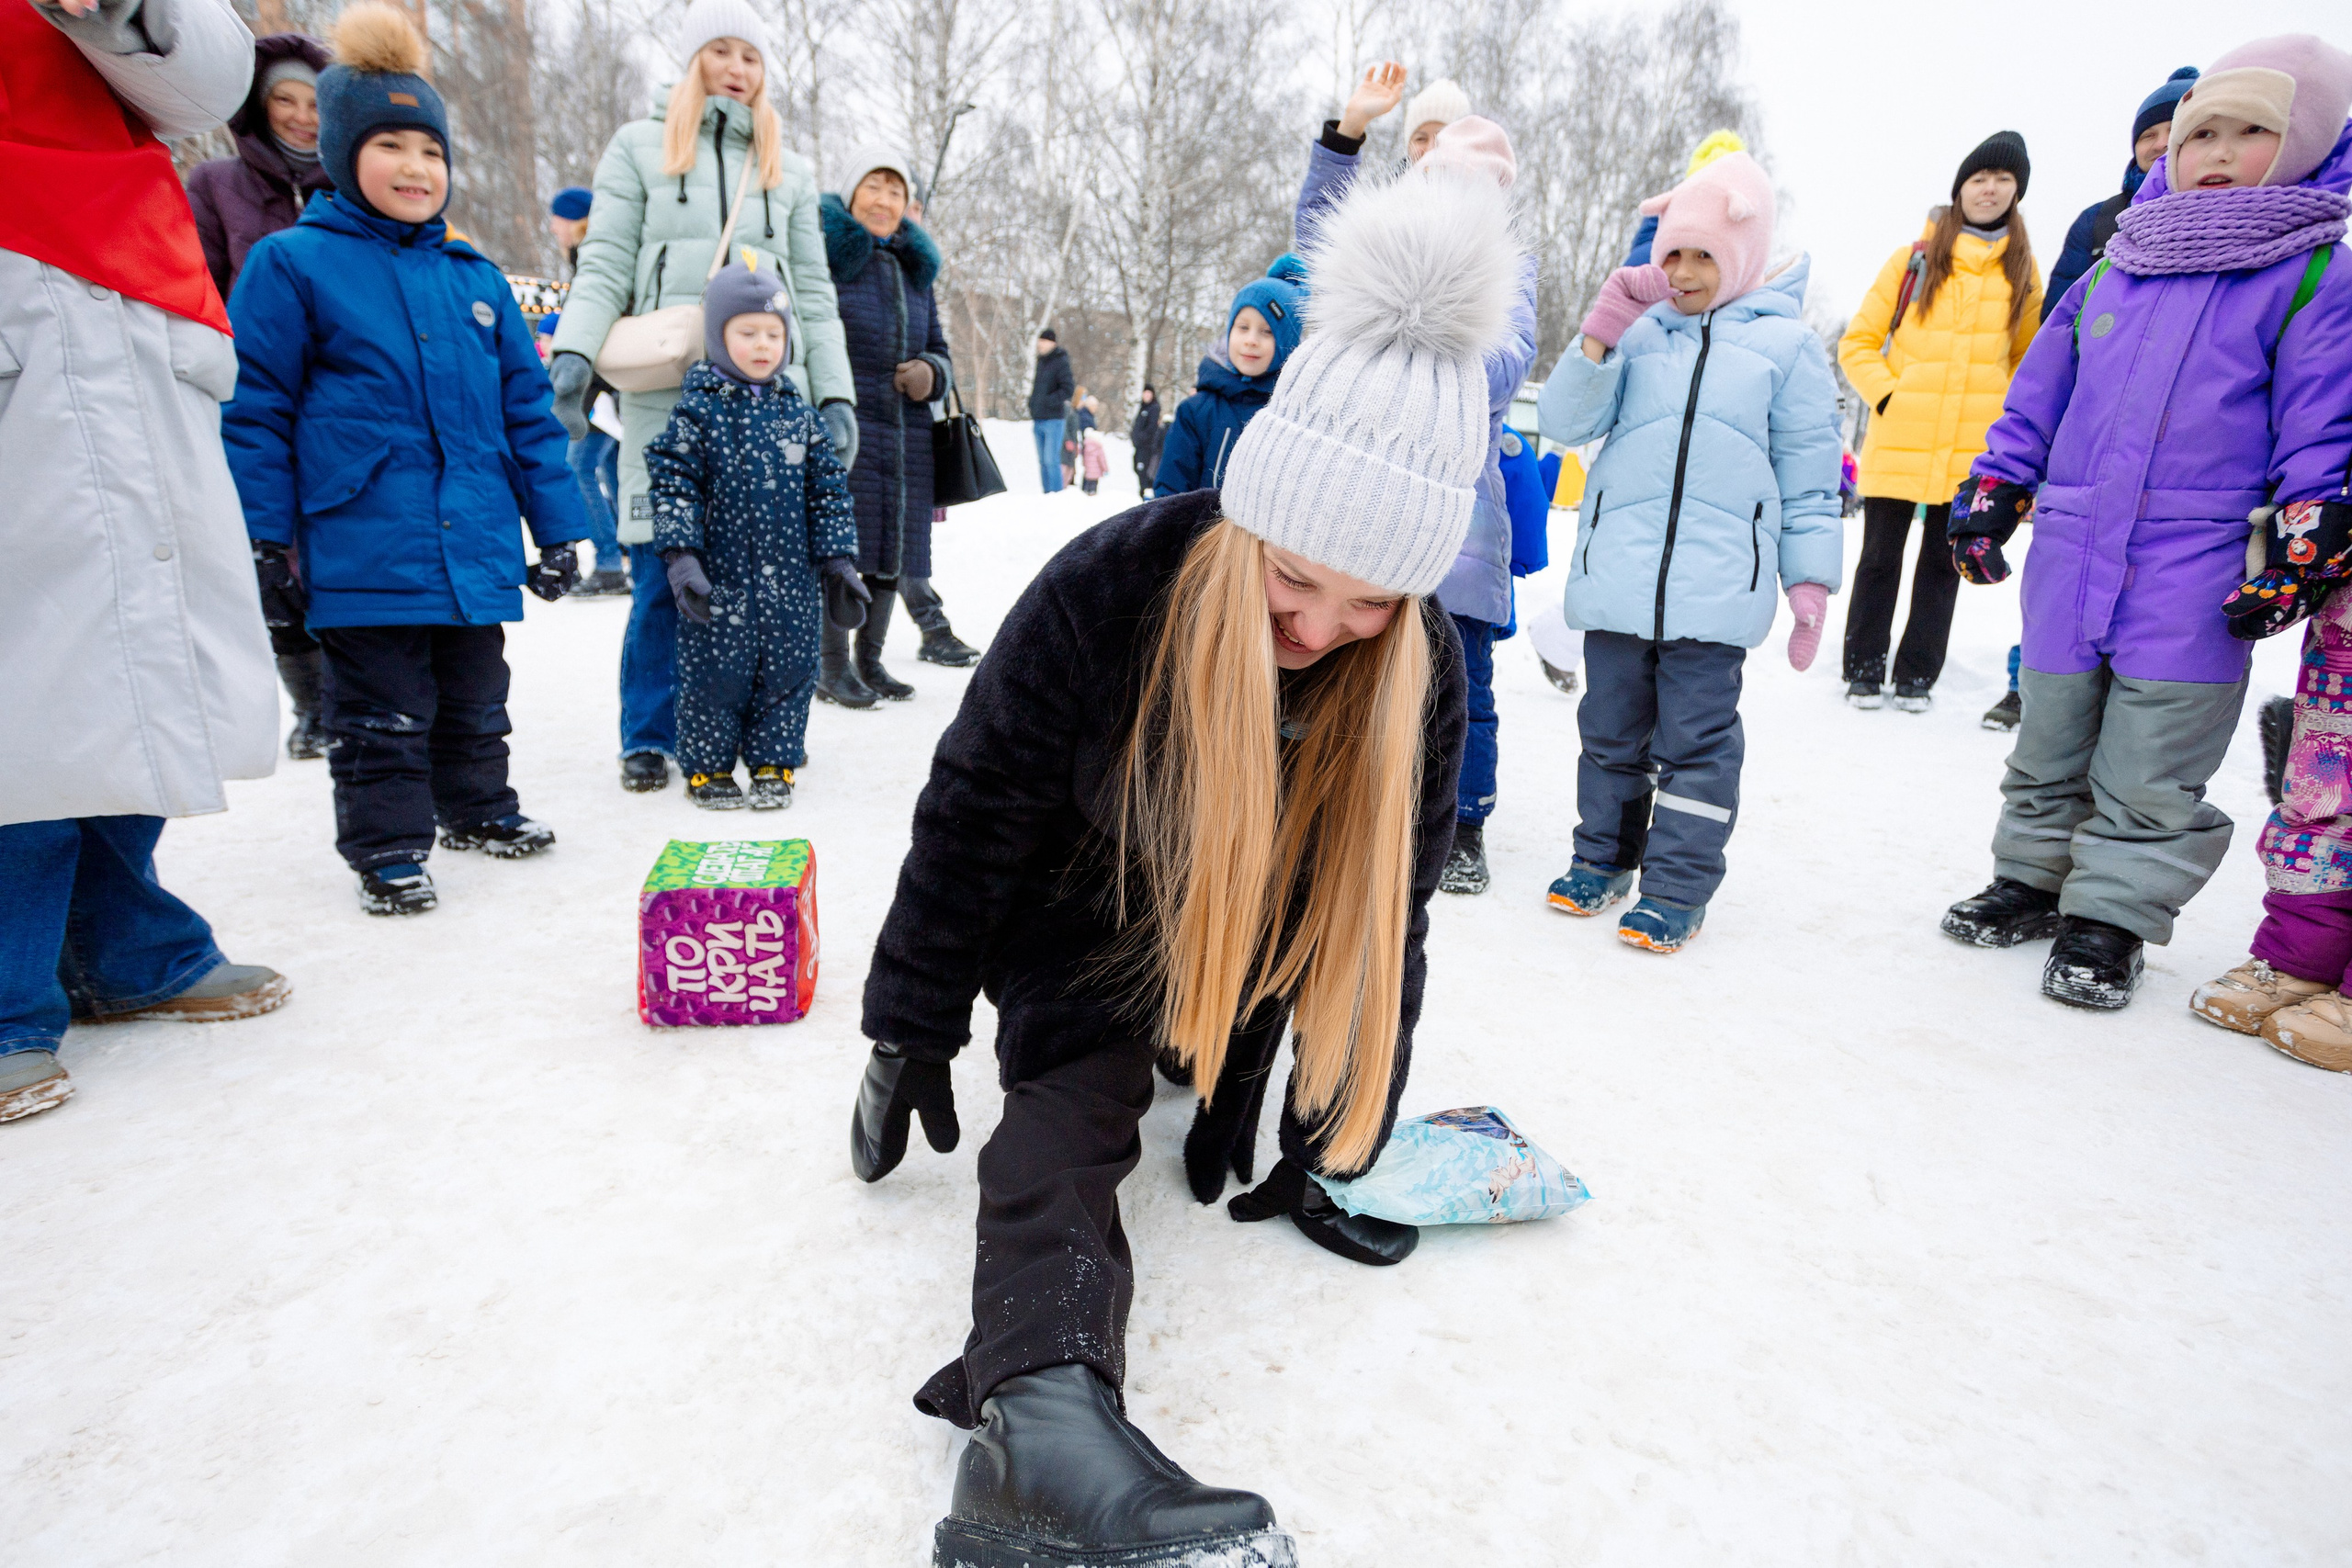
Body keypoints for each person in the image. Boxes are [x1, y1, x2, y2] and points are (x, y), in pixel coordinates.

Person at [850, 166, 1506, 1567]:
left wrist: (1349, 1102)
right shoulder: (1117, 581)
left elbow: (1389, 903)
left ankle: (1211, 1071)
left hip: (1261, 932)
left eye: (1370, 600)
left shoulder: (1421, 666)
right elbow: (974, 806)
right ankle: (1038, 1418)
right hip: (1087, 908)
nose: (1326, 625)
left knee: (1209, 1079)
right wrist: (909, 1020)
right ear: (1251, 518)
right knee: (1070, 1113)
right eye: (1295, 583)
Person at [1939, 33, 2352, 1012]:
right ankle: (2032, 877)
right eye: (2199, 133)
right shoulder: (2114, 270)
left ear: (2307, 147)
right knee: (2050, 729)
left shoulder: (2309, 278)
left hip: (2198, 556)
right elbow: (2038, 393)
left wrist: (2305, 541)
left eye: (2250, 131)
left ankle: (2110, 914)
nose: (2214, 151)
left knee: (2154, 752)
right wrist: (1995, 489)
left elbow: (2319, 423)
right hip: (2076, 546)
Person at [221, 2, 588, 918]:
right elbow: (255, 410)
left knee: (475, 695)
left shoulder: (475, 282)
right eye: (390, 146)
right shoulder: (291, 264)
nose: (416, 168)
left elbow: (528, 416)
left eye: (431, 151)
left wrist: (557, 527)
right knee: (379, 712)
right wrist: (264, 538)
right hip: (358, 540)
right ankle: (387, 845)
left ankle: (477, 809)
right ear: (342, 156)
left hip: (469, 541)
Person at [4, 0, 291, 1124]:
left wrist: (127, 10)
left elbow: (208, 82)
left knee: (133, 651)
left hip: (128, 278)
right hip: (24, 277)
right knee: (27, 670)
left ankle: (123, 942)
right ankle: (10, 985)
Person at [546, 0, 855, 795]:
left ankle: (758, 728)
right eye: (720, 50)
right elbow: (607, 258)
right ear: (693, 62)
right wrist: (577, 350)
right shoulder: (640, 148)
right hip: (667, 397)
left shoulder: (785, 166)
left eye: (750, 56)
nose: (737, 68)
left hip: (767, 407)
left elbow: (813, 294)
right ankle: (649, 734)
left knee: (763, 590)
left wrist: (833, 395)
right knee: (661, 577)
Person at [1537, 150, 1843, 953]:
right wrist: (1601, 332)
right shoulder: (1637, 335)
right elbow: (1565, 424)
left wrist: (1807, 580)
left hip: (1713, 594)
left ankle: (1675, 887)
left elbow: (1810, 479)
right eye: (1671, 252)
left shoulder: (1788, 349)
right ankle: (1600, 858)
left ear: (1739, 256)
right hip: (1619, 581)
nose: (1683, 270)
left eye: (1703, 253)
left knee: (1697, 749)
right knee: (1608, 733)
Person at [1295, 105, 1538, 897]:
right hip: (1364, 520)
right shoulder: (1388, 253)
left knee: (1458, 683)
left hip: (1457, 533)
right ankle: (1351, 809)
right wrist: (1342, 146)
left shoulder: (1504, 273)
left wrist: (1432, 323)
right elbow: (1319, 250)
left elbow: (1506, 364)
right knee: (1353, 670)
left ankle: (1462, 822)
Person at [1976, 69, 2200, 736]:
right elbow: (2057, 332)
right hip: (2087, 427)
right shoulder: (2103, 223)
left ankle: (2134, 706)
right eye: (2148, 135)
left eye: (2174, 133)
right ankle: (2031, 683)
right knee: (2063, 563)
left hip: (2176, 443)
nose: (2159, 146)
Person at [645, 262, 865, 809]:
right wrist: (681, 560)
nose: (762, 345)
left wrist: (839, 562)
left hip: (791, 583)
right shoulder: (696, 413)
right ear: (718, 337)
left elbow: (829, 494)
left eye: (774, 334)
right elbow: (674, 487)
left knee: (789, 673)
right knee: (713, 677)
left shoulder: (802, 419)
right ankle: (709, 769)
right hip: (719, 582)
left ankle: (774, 763)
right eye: (747, 333)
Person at [1836, 131, 2041, 713]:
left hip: (1970, 450)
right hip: (1901, 436)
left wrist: (2003, 426)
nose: (1990, 188)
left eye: (2004, 179)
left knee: (1940, 568)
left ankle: (1916, 678)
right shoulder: (1915, 260)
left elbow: (2030, 363)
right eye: (1980, 178)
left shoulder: (2023, 271)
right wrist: (1889, 399)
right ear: (1960, 187)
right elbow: (1859, 343)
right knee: (1878, 560)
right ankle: (1862, 670)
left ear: (2016, 193)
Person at [184, 28, 335, 761]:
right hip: (253, 393)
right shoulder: (217, 186)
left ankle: (348, 691)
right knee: (270, 550)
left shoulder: (352, 186)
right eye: (286, 100)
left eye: (315, 102)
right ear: (259, 105)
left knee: (335, 550)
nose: (303, 117)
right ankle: (309, 702)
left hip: (336, 396)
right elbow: (198, 289)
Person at [815, 147, 977, 709]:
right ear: (850, 192)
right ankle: (830, 666)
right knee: (841, 545)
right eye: (873, 187)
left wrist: (932, 373)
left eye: (895, 192)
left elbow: (940, 349)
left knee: (894, 548)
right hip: (846, 424)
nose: (884, 201)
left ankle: (870, 660)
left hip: (905, 431)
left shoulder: (915, 268)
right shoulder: (824, 256)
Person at [545, 186, 631, 600]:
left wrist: (586, 390)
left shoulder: (592, 261)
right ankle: (624, 551)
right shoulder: (598, 257)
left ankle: (611, 561)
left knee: (578, 467)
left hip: (601, 391)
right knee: (613, 470)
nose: (552, 227)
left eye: (556, 219)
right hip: (617, 389)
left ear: (574, 220)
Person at [1153, 259, 1305, 493]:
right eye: (1242, 327)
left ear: (1288, 343)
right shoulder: (1196, 412)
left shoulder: (1295, 415)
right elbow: (1169, 495)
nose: (1251, 340)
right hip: (1200, 529)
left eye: (1266, 331)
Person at [1028, 329, 1074, 492]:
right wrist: (1032, 404)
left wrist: (1048, 402)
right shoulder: (1041, 362)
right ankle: (1046, 494)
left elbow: (1068, 389)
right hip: (1038, 418)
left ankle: (1055, 495)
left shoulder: (1060, 361)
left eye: (1043, 342)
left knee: (1051, 460)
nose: (1039, 345)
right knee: (1042, 461)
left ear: (1051, 343)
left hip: (1054, 419)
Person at [1128, 384, 1165, 495]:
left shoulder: (1154, 408)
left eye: (1149, 393)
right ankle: (1144, 491)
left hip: (1147, 447)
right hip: (1139, 446)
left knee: (1144, 471)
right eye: (1145, 393)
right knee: (1137, 468)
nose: (1146, 396)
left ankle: (1146, 492)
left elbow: (1151, 428)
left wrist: (1141, 437)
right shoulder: (1142, 408)